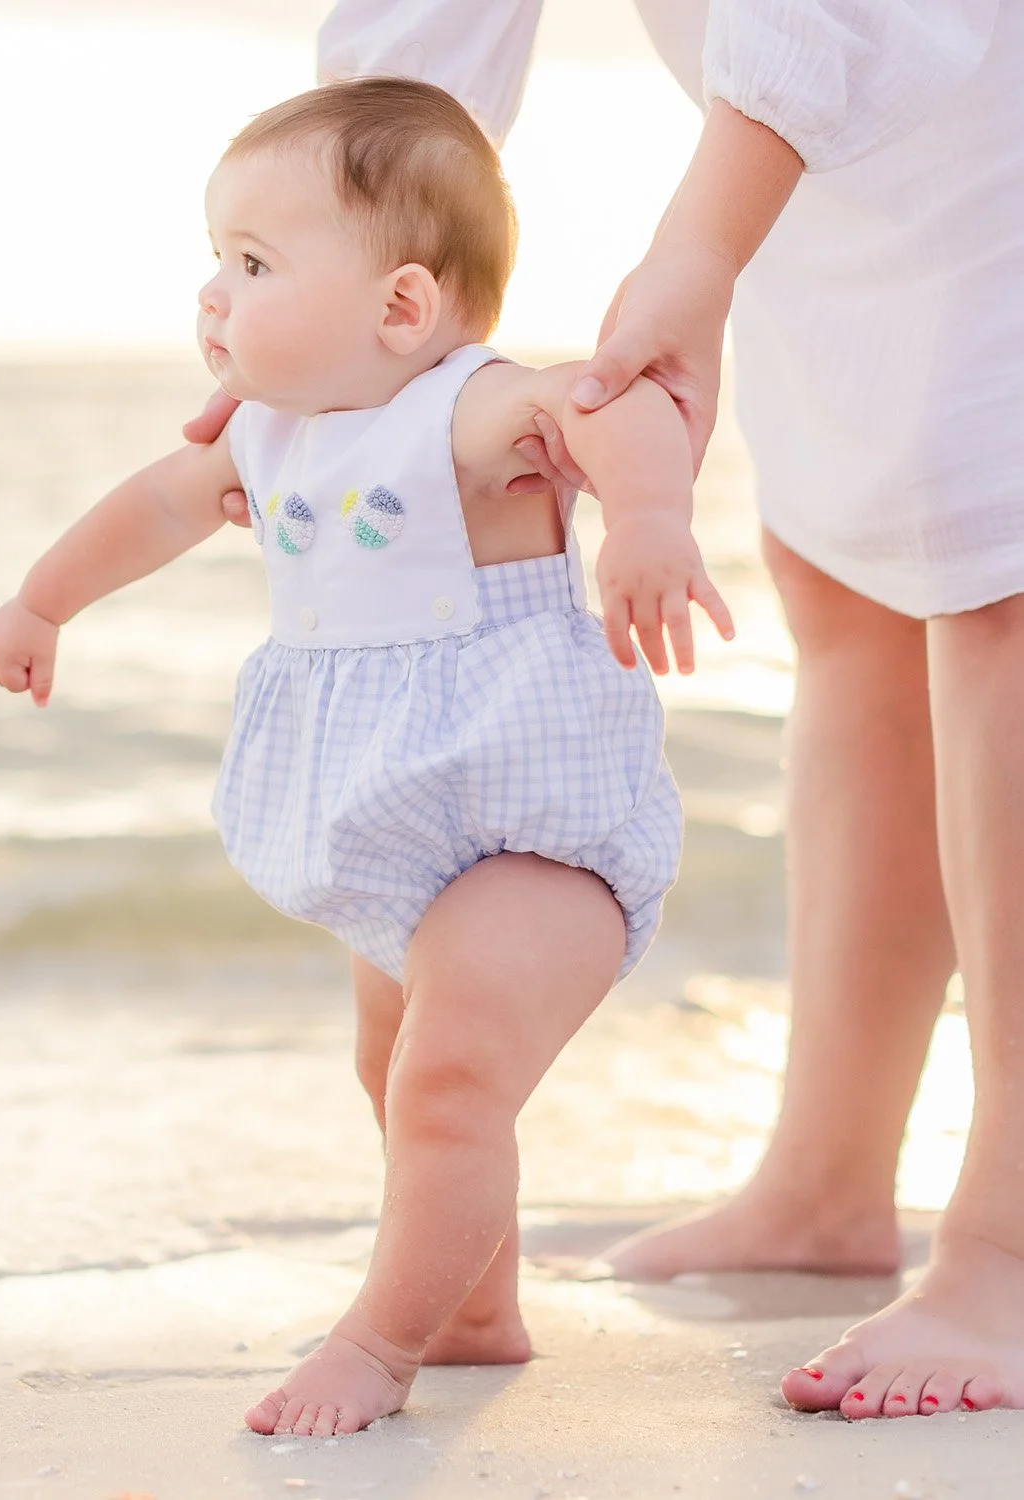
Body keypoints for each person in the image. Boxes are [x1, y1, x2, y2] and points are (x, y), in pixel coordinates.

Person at [240, 0, 1022, 1423]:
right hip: (806, 157)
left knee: (1004, 572)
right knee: (842, 577)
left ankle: (1011, 1243)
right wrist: (354, 262)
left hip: (960, 95)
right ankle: (826, 1180)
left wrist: (699, 247)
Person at [0, 77, 733, 1436]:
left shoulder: (467, 407)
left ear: (399, 308)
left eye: (254, 263)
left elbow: (603, 409)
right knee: (394, 1072)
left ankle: (380, 1346)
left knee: (449, 1080)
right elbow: (148, 506)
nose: (214, 294)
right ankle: (476, 1304)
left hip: (530, 825)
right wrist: (44, 601)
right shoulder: (265, 440)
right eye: (214, 259)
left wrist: (649, 519)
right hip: (393, 826)